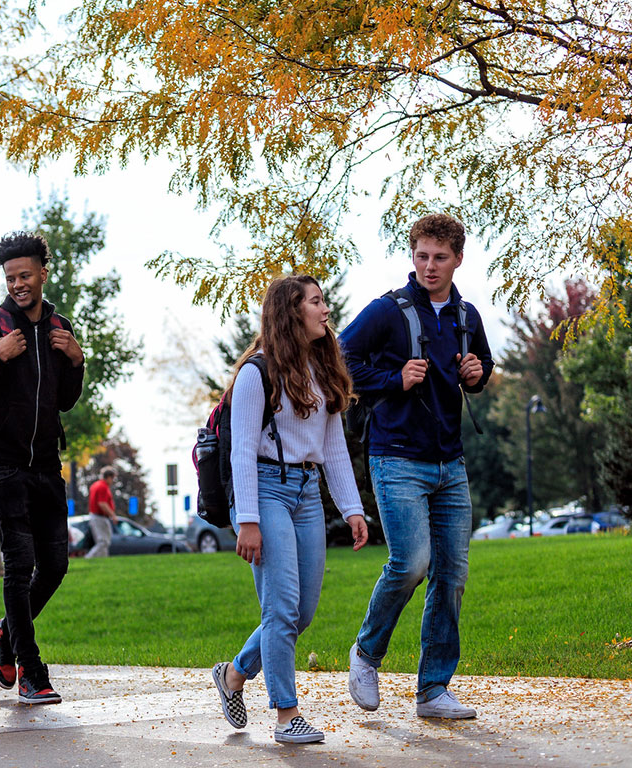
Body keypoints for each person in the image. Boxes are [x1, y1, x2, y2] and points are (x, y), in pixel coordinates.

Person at [338, 213, 494, 719]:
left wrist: (477, 373)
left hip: (451, 462)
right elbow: (341, 358)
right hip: (397, 456)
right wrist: (392, 378)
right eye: (422, 256)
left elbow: (481, 369)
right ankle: (366, 654)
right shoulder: (388, 311)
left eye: (440, 258)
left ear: (458, 259)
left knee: (452, 575)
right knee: (411, 563)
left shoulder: (467, 317)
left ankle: (432, 690)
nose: (430, 266)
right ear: (413, 256)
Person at [211, 274, 369, 745]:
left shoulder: (322, 370)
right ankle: (286, 714)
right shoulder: (256, 374)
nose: (325, 310)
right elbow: (241, 452)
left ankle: (235, 675)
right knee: (280, 610)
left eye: (323, 301)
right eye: (316, 302)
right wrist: (249, 521)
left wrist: (353, 508)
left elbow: (334, 449)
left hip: (306, 493)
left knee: (300, 614)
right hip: (265, 490)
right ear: (291, 312)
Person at [0, 231, 84, 705]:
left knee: (55, 566)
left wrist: (76, 359)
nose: (17, 284)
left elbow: (66, 400)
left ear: (43, 274)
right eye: (10, 278)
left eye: (24, 275)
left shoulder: (60, 327)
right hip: (3, 465)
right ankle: (31, 670)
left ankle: (4, 633)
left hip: (47, 465)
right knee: (20, 566)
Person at [85, 466, 118, 558]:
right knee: (103, 541)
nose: (113, 481)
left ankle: (103, 561)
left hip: (96, 516)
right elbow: (102, 503)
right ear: (109, 477)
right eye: (113, 478)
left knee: (104, 542)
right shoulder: (102, 486)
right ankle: (89, 558)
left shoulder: (95, 485)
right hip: (99, 516)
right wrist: (113, 515)